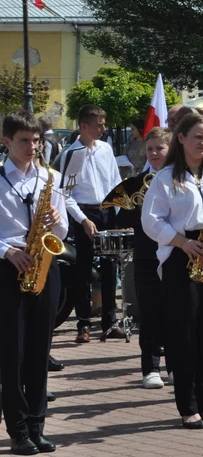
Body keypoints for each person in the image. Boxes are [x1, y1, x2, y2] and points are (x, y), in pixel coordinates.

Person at [141, 112, 203, 429]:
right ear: (181, 138)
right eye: (198, 137)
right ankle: (188, 405)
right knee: (184, 332)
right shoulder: (165, 177)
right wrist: (182, 243)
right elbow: (151, 221)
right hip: (180, 253)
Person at [0, 111, 67, 454]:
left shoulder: (48, 178)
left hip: (44, 267)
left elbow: (63, 231)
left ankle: (38, 425)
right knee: (13, 353)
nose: (32, 147)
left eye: (37, 140)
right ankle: (18, 429)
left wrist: (56, 220)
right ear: (7, 141)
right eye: (24, 140)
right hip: (8, 268)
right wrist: (7, 251)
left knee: (40, 353)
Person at [112, 126, 172, 388]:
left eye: (160, 148)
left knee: (177, 311)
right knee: (149, 312)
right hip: (147, 254)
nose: (154, 153)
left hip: (175, 254)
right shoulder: (136, 183)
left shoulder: (181, 179)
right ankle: (150, 367)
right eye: (150, 149)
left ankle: (176, 363)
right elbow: (122, 219)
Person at [60, 104, 123, 343]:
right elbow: (66, 194)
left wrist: (119, 214)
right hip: (85, 214)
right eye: (98, 125)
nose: (102, 129)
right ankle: (83, 324)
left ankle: (110, 322)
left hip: (106, 212)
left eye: (103, 124)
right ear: (84, 126)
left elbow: (115, 182)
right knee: (84, 270)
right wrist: (83, 220)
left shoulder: (106, 149)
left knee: (110, 269)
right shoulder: (72, 154)